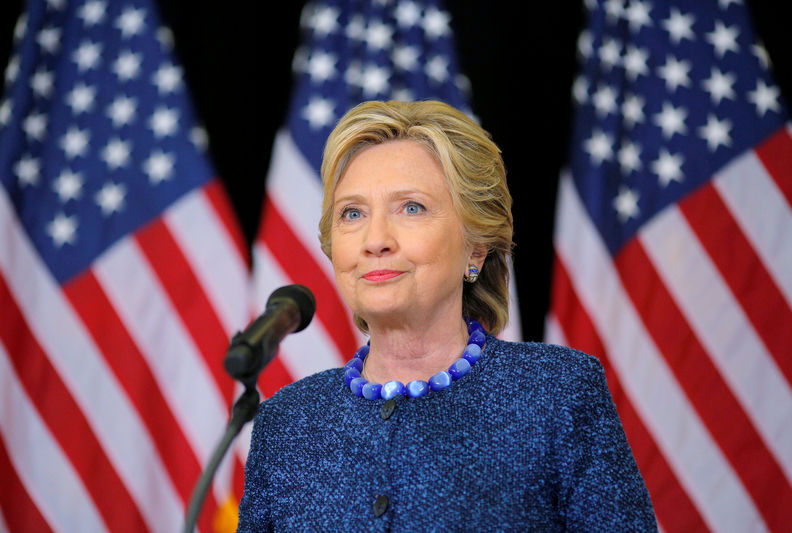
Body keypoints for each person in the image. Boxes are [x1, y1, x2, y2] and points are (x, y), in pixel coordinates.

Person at [237, 100, 657, 531]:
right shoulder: (287, 424)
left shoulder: (557, 394)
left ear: (475, 247)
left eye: (411, 207)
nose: (375, 239)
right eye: (353, 213)